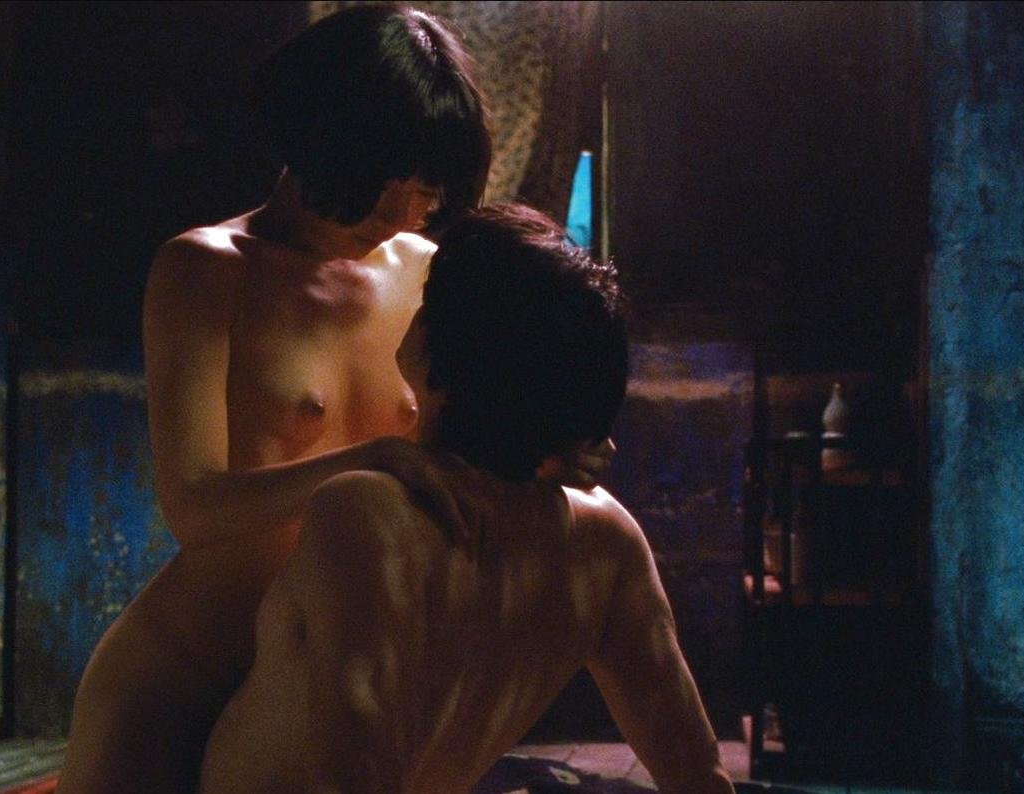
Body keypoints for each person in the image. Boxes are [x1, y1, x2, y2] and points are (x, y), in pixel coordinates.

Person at [58, 7, 608, 793]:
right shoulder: (207, 272)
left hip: (337, 680)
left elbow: (481, 444)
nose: (407, 213)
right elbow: (193, 506)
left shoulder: (431, 274)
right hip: (186, 677)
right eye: (391, 186)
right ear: (329, 144)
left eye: (427, 192)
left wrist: (553, 453)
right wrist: (375, 459)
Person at [199, 204, 735, 794]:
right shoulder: (605, 539)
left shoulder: (369, 515)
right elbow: (701, 778)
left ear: (436, 346)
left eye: (426, 299)